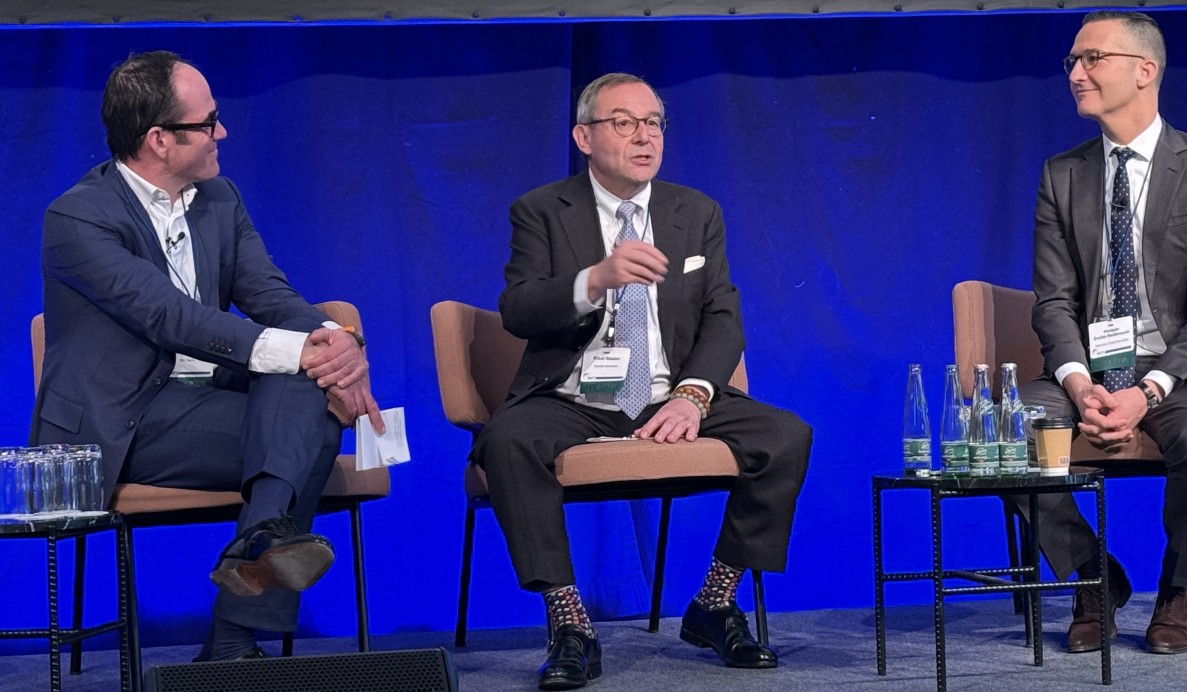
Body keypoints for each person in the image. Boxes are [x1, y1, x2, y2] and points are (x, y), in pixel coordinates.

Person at [34, 51, 384, 661]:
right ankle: (235, 630)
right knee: (311, 415)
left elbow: (270, 295)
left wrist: (339, 340)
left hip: (204, 406)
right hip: (120, 424)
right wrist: (313, 353)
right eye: (209, 122)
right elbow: (170, 316)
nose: (222, 132)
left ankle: (256, 542)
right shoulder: (77, 217)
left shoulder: (219, 198)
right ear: (160, 140)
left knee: (307, 392)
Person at [471, 72, 811, 689]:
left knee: (784, 435)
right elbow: (518, 309)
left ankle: (714, 604)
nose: (643, 136)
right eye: (623, 123)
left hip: (668, 393)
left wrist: (693, 394)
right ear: (584, 136)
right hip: (576, 396)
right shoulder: (543, 210)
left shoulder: (695, 211)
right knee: (508, 440)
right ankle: (570, 622)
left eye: (653, 122)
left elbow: (723, 320)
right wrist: (594, 279)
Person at [1017, 11, 1187, 656]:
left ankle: (1176, 590)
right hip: (1091, 370)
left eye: (1091, 59)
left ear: (1144, 70)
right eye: (1071, 63)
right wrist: (1080, 387)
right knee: (1009, 427)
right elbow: (1054, 303)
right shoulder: (1061, 174)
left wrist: (1148, 391)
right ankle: (1094, 579)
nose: (1076, 73)